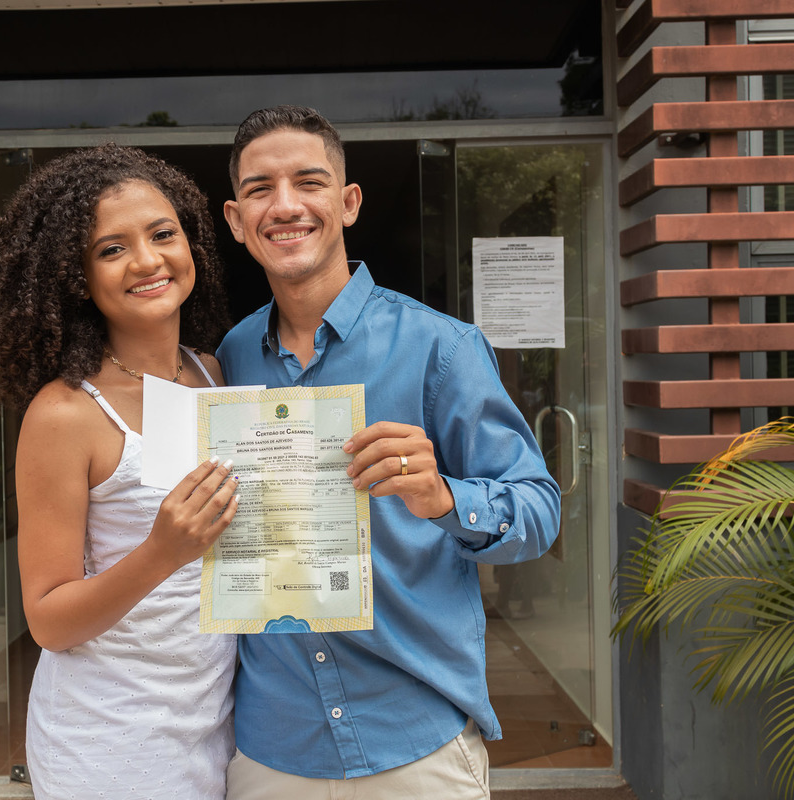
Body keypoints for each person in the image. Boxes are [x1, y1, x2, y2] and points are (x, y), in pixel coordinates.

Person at [216, 105, 562, 799]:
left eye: (308, 183)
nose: (285, 206)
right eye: (259, 189)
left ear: (347, 204)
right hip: (270, 748)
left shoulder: (442, 349)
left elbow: (540, 512)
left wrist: (444, 498)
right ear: (235, 219)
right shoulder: (227, 359)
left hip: (414, 742)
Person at [0, 145, 240, 800]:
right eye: (110, 249)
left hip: (215, 720)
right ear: (76, 276)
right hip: (111, 742)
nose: (147, 261)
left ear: (191, 243)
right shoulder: (65, 414)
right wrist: (161, 552)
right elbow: (50, 621)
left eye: (162, 234)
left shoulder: (211, 374)